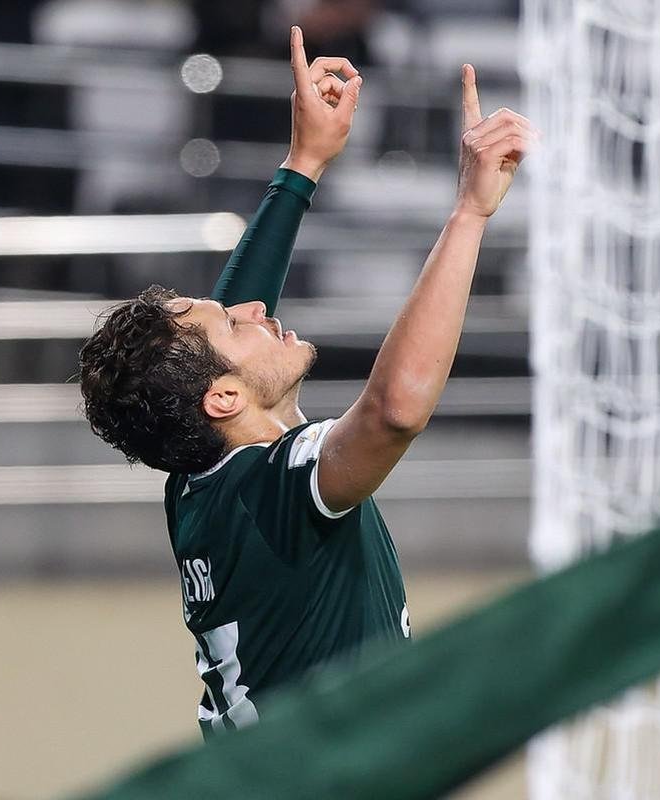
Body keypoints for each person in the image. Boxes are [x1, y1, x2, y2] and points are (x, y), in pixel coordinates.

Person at [79, 26, 538, 737]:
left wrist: (304, 163)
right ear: (224, 398)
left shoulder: (201, 479)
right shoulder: (275, 483)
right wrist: (469, 214)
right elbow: (393, 411)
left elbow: (232, 320)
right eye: (236, 325)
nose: (257, 309)